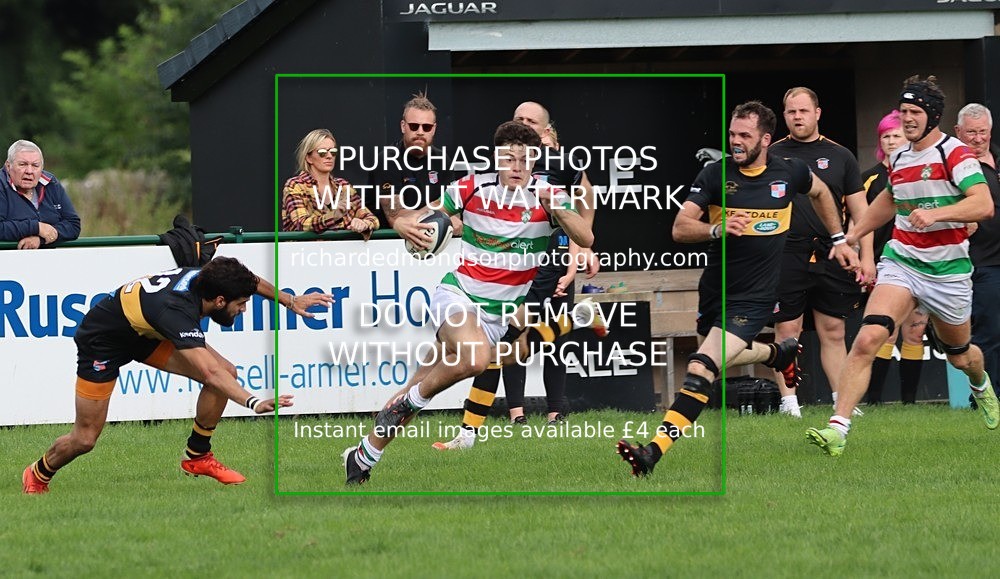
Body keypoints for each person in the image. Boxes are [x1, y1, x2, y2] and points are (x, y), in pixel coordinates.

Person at [342, 121, 596, 484]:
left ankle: (363, 456)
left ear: (534, 161)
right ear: (497, 158)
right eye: (509, 158)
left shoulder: (549, 194)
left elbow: (585, 236)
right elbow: (425, 215)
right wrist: (403, 225)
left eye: (524, 160)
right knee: (475, 360)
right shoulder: (472, 185)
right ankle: (412, 402)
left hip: (497, 317)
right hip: (457, 295)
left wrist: (559, 209)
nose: (516, 167)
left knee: (420, 380)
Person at [617, 101, 859, 477]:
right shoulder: (715, 175)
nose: (736, 142)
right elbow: (680, 228)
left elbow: (823, 193)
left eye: (744, 135)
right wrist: (717, 228)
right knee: (714, 358)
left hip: (756, 297)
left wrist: (839, 239)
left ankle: (652, 453)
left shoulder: (790, 171)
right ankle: (775, 354)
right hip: (715, 289)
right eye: (732, 134)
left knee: (701, 367)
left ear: (765, 139)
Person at [22, 257, 333, 493]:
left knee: (227, 373)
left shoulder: (210, 278)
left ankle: (197, 456)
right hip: (103, 340)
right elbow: (208, 372)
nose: (244, 310)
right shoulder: (175, 310)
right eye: (241, 304)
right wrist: (252, 403)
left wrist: (290, 301)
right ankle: (37, 474)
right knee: (85, 438)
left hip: (146, 331)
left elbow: (249, 280)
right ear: (220, 301)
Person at [807, 76, 1000, 457]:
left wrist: (938, 214)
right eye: (904, 112)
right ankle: (837, 430)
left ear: (933, 116)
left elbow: (983, 204)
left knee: (961, 355)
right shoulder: (899, 158)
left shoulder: (955, 154)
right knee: (866, 339)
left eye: (914, 113)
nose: (907, 120)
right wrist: (851, 234)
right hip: (903, 261)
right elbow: (888, 201)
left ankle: (981, 383)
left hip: (948, 272)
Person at [432, 107, 601, 451]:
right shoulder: (501, 173)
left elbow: (586, 202)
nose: (523, 126)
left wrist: (577, 253)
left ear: (545, 132)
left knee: (502, 349)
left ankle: (486, 428)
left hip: (542, 263)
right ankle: (574, 322)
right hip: (514, 266)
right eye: (518, 120)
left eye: (530, 123)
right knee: (502, 349)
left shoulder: (560, 166)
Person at [768, 88, 876, 417]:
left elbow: (862, 211)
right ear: (784, 116)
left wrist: (867, 256)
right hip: (786, 252)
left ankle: (840, 399)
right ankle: (789, 403)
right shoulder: (771, 154)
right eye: (791, 112)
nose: (797, 116)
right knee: (788, 329)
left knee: (834, 330)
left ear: (817, 113)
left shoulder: (840, 155)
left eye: (803, 110)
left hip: (833, 251)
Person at [863, 111, 929, 405]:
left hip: (919, 262)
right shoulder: (870, 179)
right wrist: (865, 259)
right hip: (884, 264)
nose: (890, 141)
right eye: (885, 136)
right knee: (885, 334)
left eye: (896, 135)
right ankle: (875, 400)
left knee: (915, 333)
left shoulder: (923, 173)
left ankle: (909, 403)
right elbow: (861, 222)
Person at [371, 92, 460, 247]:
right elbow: (397, 217)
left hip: (435, 244)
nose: (420, 132)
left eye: (426, 127)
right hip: (389, 247)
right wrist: (441, 216)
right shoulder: (387, 158)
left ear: (434, 129)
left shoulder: (443, 160)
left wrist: (447, 217)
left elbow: (454, 213)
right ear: (403, 126)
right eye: (414, 126)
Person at [956, 103, 1000, 397]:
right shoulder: (953, 167)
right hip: (980, 261)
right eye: (971, 132)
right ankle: (985, 396)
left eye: (982, 131)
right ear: (958, 132)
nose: (977, 138)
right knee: (989, 333)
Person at [281, 129, 379, 236]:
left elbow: (373, 219)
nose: (329, 156)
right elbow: (301, 224)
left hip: (340, 251)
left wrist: (363, 223)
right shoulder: (295, 185)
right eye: (322, 153)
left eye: (333, 152)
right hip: (304, 251)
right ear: (308, 158)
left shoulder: (343, 186)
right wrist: (334, 216)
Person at [1, 140, 81, 249]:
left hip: (48, 261)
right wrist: (36, 227)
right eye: (22, 164)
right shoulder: (2, 186)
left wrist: (41, 239)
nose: (29, 171)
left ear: (42, 168)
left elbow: (73, 225)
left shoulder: (51, 183)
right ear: (8, 166)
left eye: (35, 165)